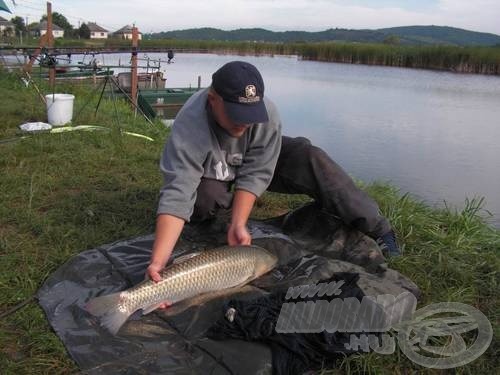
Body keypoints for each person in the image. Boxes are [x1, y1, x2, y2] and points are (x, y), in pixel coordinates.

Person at [147, 60, 400, 285]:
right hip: (211, 168)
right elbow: (179, 189)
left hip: (256, 159)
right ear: (213, 99)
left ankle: (379, 228)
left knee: (311, 157)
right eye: (236, 114)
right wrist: (159, 262)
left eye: (250, 114)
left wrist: (238, 223)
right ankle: (217, 212)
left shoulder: (265, 114)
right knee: (202, 201)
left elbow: (256, 171)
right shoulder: (190, 125)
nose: (245, 122)